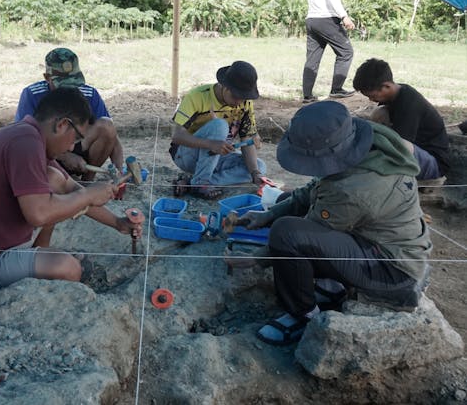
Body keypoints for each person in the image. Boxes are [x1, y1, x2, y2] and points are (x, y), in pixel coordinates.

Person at [238, 101, 431, 346]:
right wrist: (269, 214)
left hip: (390, 271)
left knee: (286, 234)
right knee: (288, 205)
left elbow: (309, 228)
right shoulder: (359, 142)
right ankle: (330, 287)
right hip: (377, 241)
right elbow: (318, 188)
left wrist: (258, 257)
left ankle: (303, 314)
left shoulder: (354, 190)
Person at [0, 87, 141, 294]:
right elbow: (39, 214)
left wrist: (118, 223)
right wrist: (87, 194)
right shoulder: (25, 142)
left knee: (54, 180)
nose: (72, 148)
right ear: (62, 124)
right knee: (68, 268)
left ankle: (37, 254)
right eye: (75, 139)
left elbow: (67, 186)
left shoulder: (29, 136)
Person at [15, 47, 124, 181]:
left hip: (79, 147)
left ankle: (87, 181)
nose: (69, 89)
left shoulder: (89, 94)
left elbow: (112, 135)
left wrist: (120, 173)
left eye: (74, 83)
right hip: (46, 151)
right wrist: (64, 156)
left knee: (107, 125)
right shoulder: (32, 94)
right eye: (63, 84)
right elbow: (25, 139)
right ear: (47, 78)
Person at [169, 60, 266, 198]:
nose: (239, 102)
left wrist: (255, 174)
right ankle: (201, 181)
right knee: (220, 125)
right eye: (235, 96)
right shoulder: (197, 97)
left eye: (243, 97)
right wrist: (210, 144)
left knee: (259, 167)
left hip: (216, 156)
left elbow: (247, 138)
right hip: (186, 155)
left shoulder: (245, 103)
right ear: (223, 85)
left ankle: (193, 183)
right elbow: (176, 136)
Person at [352, 57, 450, 180]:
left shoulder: (409, 104)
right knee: (379, 113)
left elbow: (398, 146)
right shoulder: (398, 91)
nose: (371, 100)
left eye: (372, 96)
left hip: (433, 164)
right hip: (417, 153)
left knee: (397, 144)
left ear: (386, 86)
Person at [302, 0, 356, 103]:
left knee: (312, 59)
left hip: (311, 19)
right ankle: (336, 89)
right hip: (326, 19)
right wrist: (344, 16)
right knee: (346, 52)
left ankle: (307, 95)